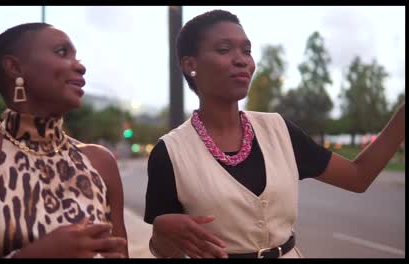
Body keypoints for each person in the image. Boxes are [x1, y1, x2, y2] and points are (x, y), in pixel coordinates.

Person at [144, 10, 405, 258]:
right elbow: (167, 251)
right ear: (191, 65)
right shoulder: (170, 153)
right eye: (224, 49)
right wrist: (162, 233)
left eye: (247, 51)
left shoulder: (279, 130)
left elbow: (358, 177)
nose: (242, 59)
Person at [0, 23, 128, 258]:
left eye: (77, 56)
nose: (80, 67)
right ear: (15, 67)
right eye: (62, 52)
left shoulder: (101, 161)